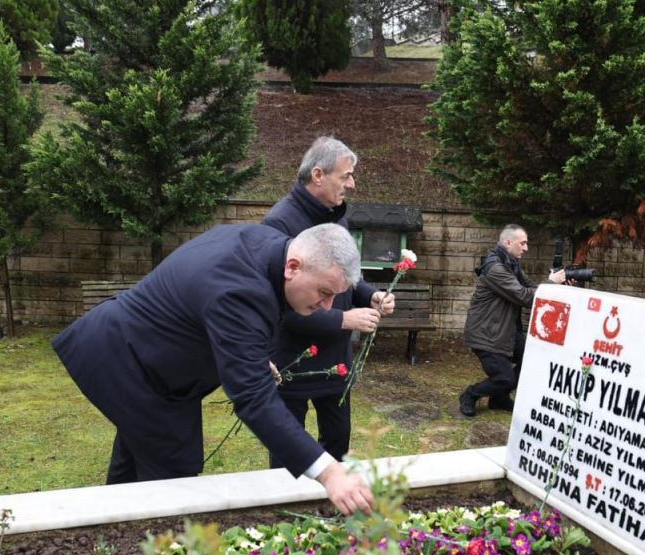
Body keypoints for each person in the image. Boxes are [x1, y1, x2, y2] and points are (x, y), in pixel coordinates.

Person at [52, 222, 375, 515]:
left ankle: (109, 546)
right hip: (128, 364)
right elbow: (253, 398)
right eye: (324, 292)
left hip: (140, 358)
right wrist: (330, 473)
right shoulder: (242, 290)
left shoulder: (265, 245)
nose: (328, 306)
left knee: (135, 467)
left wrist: (249, 354)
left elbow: (211, 311)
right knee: (171, 482)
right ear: (293, 267)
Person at [262, 137, 394, 470]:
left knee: (338, 444)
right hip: (292, 361)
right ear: (318, 175)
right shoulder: (278, 224)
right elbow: (280, 308)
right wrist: (344, 320)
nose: (351, 184)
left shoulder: (338, 218)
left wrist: (371, 294)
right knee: (288, 456)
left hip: (336, 363)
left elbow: (348, 278)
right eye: (345, 176)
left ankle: (330, 511)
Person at [459, 224, 566, 417]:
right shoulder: (496, 268)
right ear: (508, 243)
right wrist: (551, 283)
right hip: (487, 334)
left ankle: (499, 398)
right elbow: (525, 297)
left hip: (506, 331)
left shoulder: (511, 264)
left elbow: (532, 287)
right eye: (522, 243)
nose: (526, 248)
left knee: (534, 359)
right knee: (504, 378)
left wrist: (557, 284)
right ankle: (471, 394)